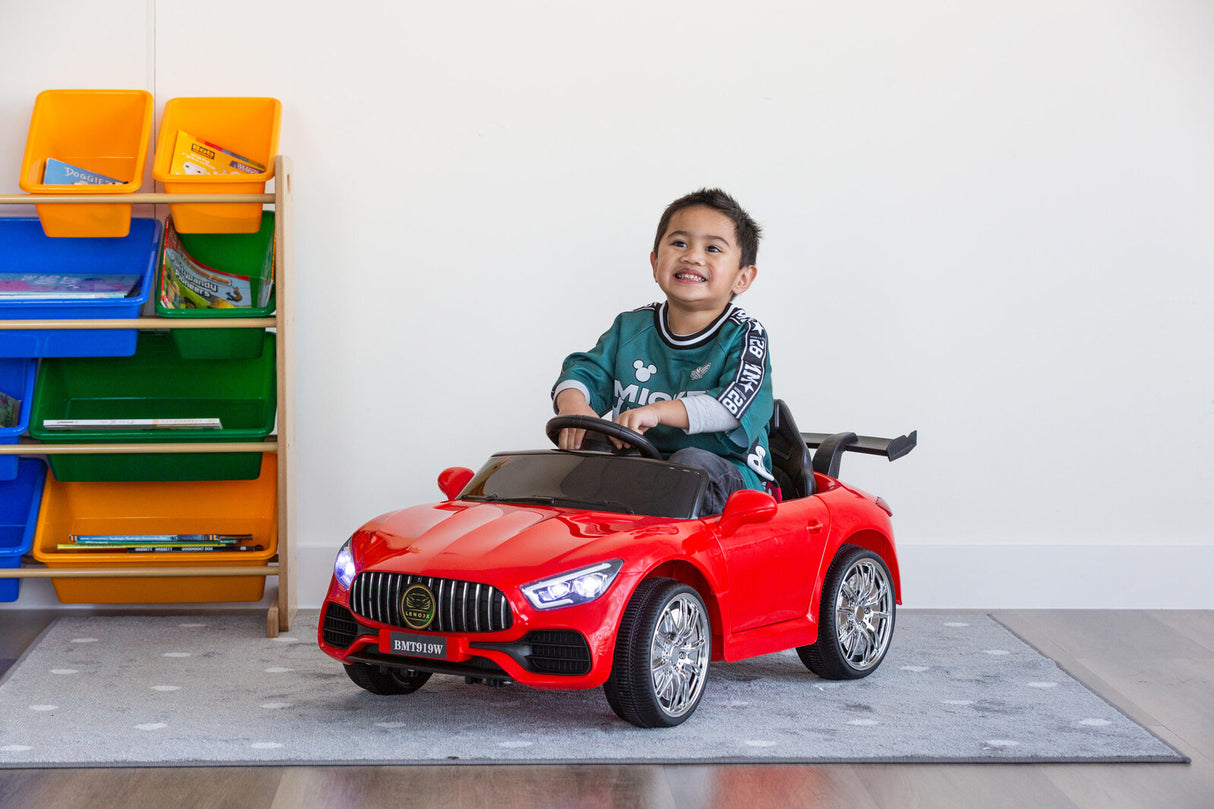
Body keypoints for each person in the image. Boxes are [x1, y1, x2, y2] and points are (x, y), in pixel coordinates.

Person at [551, 187, 775, 515]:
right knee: (587, 449)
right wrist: (575, 409)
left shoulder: (744, 335)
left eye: (712, 248)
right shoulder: (631, 328)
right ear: (656, 263)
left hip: (729, 478)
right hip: (643, 472)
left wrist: (657, 412)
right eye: (679, 243)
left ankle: (671, 554)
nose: (693, 256)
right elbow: (583, 370)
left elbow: (730, 407)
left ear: (742, 277)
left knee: (689, 466)